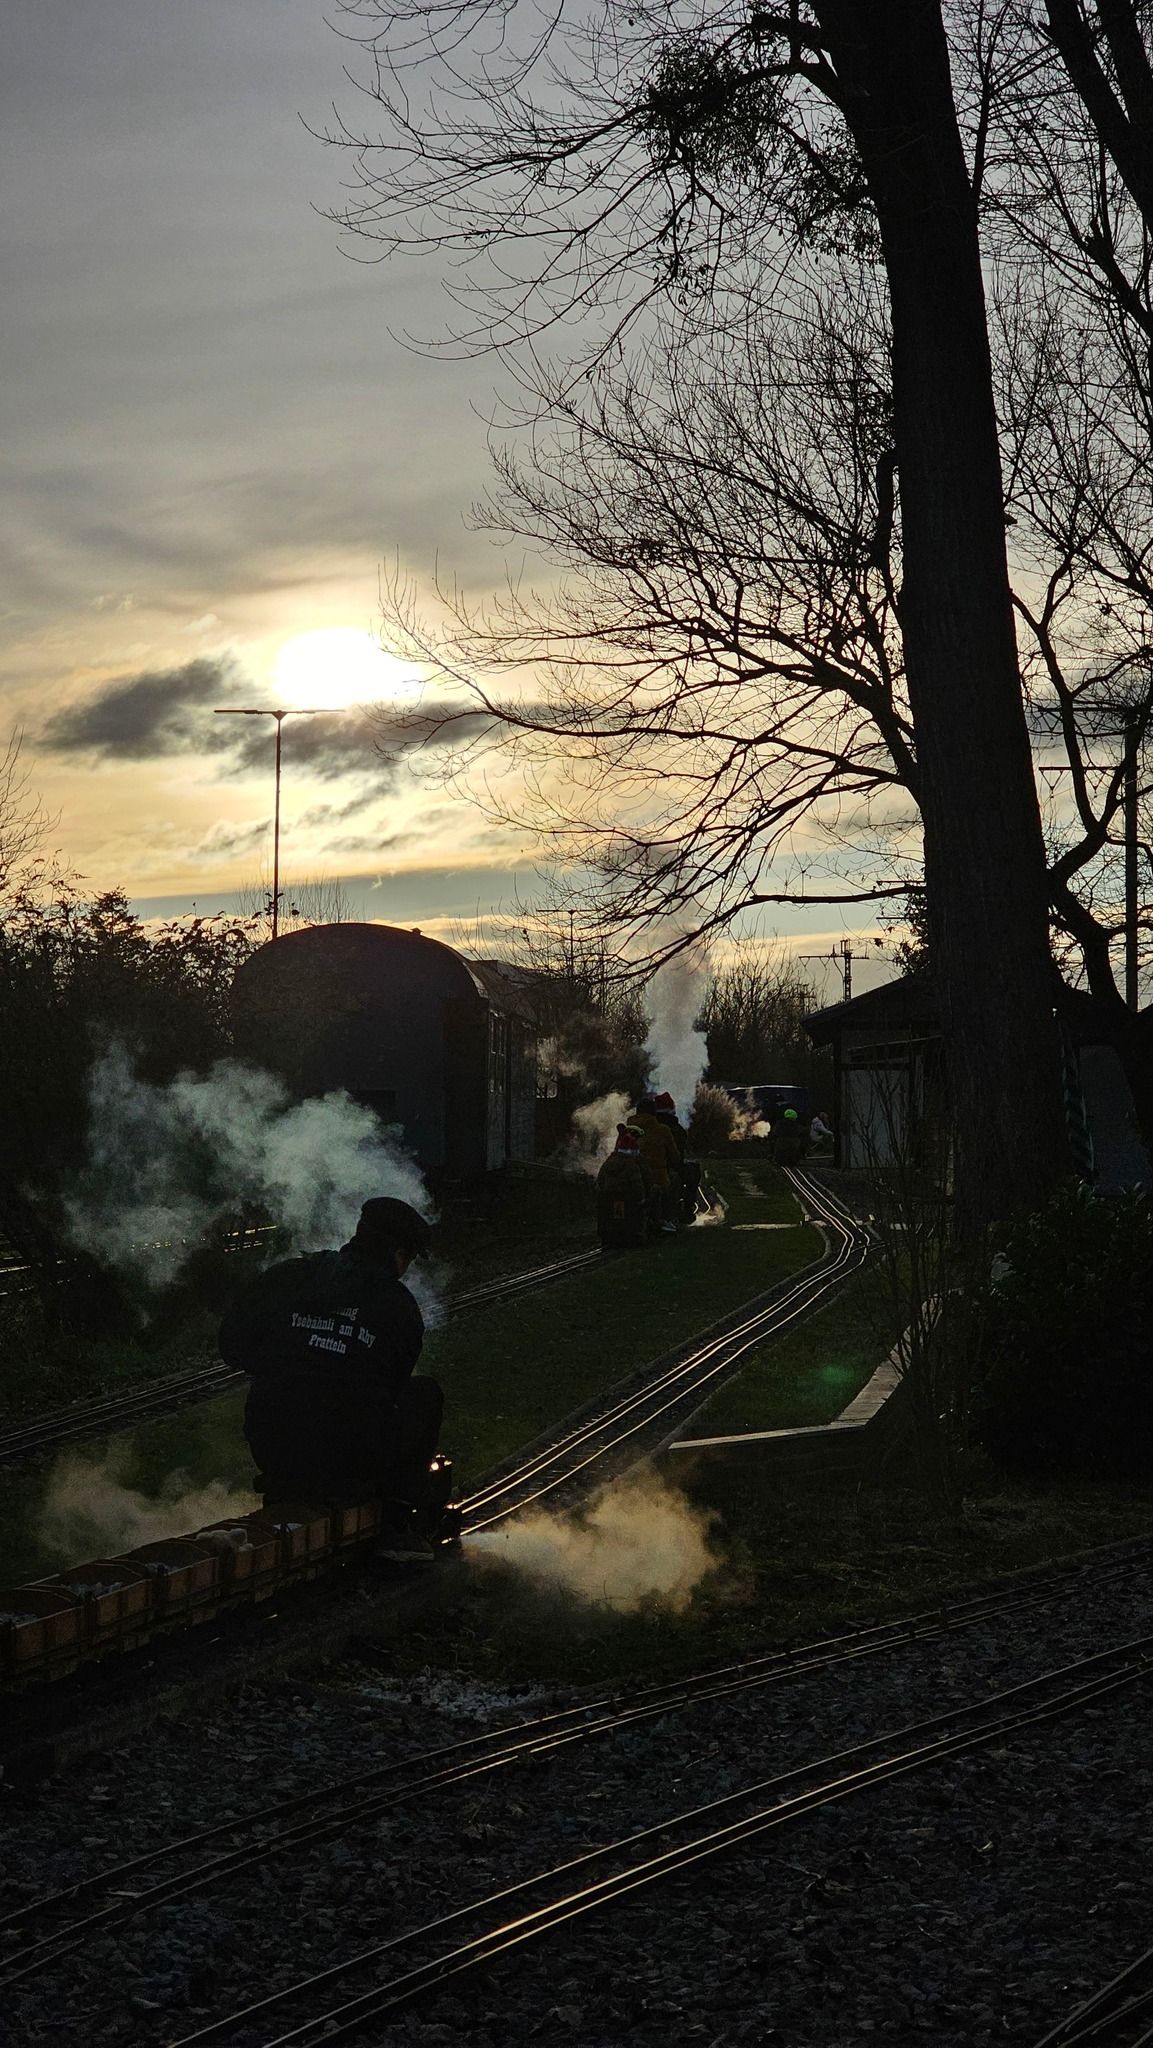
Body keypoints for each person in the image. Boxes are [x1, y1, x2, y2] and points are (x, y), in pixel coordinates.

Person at [219, 1196, 442, 1564]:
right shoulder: (399, 1307)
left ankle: (291, 1489)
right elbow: (393, 1385)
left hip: (275, 1446)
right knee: (424, 1396)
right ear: (398, 1254)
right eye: (409, 1259)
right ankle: (396, 1527)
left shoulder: (290, 1276)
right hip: (349, 1460)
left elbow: (231, 1345)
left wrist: (286, 1364)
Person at [630, 1095, 683, 1233]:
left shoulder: (626, 1130)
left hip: (632, 1176)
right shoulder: (662, 1130)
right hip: (657, 1176)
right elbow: (675, 1157)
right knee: (675, 1180)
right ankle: (668, 1218)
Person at [595, 1123, 653, 1247]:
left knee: (608, 1215)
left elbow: (600, 1179)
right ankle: (635, 1234)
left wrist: (602, 1191)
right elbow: (637, 1184)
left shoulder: (608, 1162)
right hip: (628, 1198)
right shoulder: (631, 1165)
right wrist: (641, 1198)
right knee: (635, 1213)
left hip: (608, 1197)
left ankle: (607, 1234)